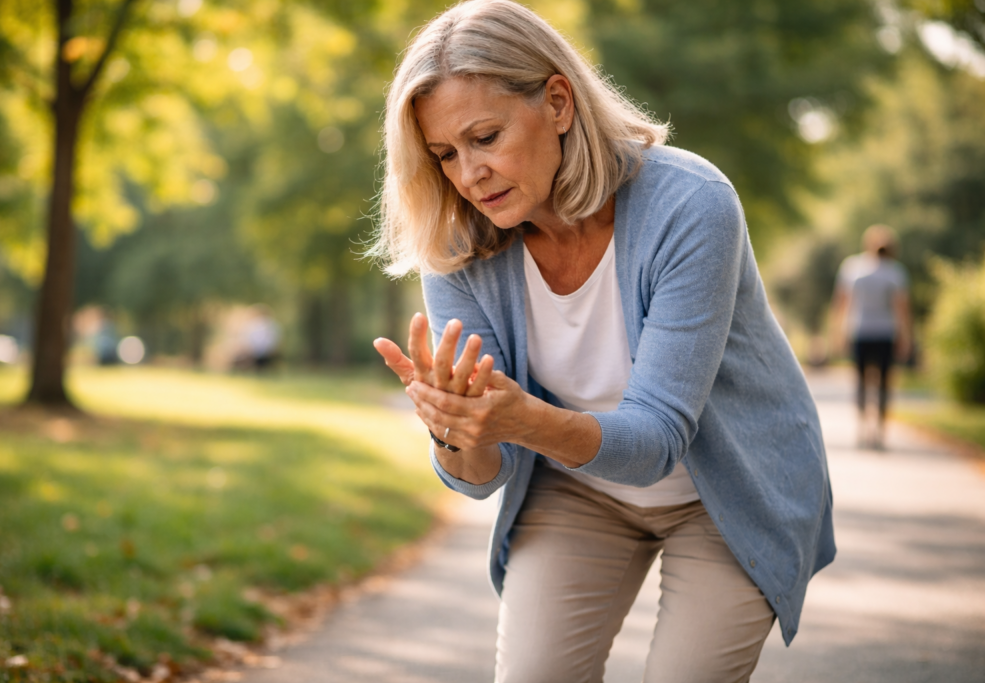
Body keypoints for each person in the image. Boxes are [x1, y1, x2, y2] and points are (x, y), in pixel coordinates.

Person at [370, 2, 835, 681]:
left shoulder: (691, 203)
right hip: (576, 488)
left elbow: (654, 441)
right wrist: (456, 427)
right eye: (445, 154)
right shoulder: (455, 246)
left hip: (725, 494)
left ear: (558, 101)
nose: (468, 174)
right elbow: (482, 478)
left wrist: (519, 416)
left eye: (486, 136)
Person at [831, 225, 911, 450]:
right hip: (883, 333)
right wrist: (906, 337)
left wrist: (837, 332)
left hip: (861, 332)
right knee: (883, 384)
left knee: (862, 383)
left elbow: (841, 304)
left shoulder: (853, 267)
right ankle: (878, 433)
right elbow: (902, 309)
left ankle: (865, 431)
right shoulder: (896, 272)